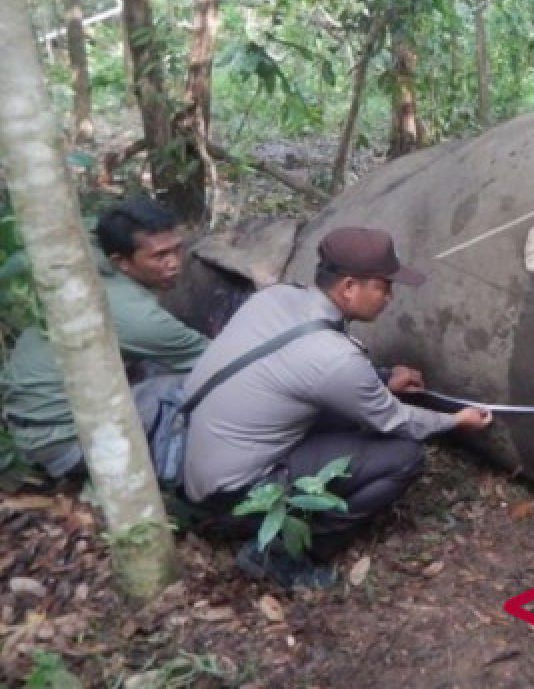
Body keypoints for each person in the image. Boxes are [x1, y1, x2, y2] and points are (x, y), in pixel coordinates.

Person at [182, 226, 492, 589]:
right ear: (348, 287)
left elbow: (298, 367)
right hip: (237, 494)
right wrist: (455, 420)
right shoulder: (335, 357)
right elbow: (395, 421)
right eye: (382, 286)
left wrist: (382, 377)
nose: (389, 297)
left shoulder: (277, 297)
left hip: (200, 457)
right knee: (403, 456)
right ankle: (280, 555)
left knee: (349, 418)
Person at [1, 198, 209, 478]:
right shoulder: (135, 318)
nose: (174, 264)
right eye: (160, 256)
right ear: (120, 262)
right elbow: (221, 362)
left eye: (177, 250)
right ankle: (179, 479)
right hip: (67, 441)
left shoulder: (82, 262)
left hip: (34, 427)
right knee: (205, 386)